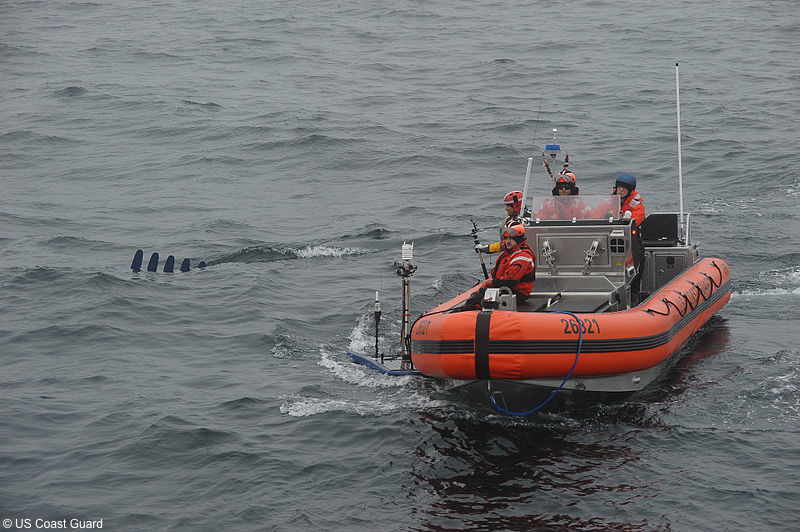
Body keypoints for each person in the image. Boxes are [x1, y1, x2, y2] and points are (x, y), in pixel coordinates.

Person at [463, 225, 536, 308]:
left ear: (519, 240)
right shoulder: (511, 252)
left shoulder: (522, 257)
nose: (508, 241)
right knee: (476, 296)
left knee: (477, 300)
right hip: (507, 289)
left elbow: (509, 281)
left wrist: (490, 282)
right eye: (506, 238)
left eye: (511, 239)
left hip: (516, 293)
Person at [612, 172, 646, 302]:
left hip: (632, 241)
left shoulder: (636, 205)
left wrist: (624, 219)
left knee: (637, 263)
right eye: (619, 187)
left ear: (630, 190)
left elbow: (637, 218)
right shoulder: (610, 202)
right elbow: (597, 213)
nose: (620, 190)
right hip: (613, 239)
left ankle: (634, 294)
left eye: (624, 188)